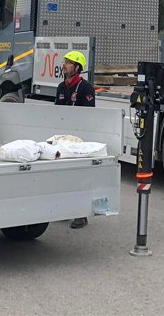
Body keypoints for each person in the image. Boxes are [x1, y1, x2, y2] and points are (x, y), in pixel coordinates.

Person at [53, 50, 95, 229]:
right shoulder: (61, 87)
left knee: (79, 176)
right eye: (65, 62)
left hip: (78, 139)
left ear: (77, 68)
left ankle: (81, 214)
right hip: (62, 138)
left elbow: (89, 116)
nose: (64, 66)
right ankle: (65, 208)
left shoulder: (86, 88)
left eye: (68, 63)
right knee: (62, 175)